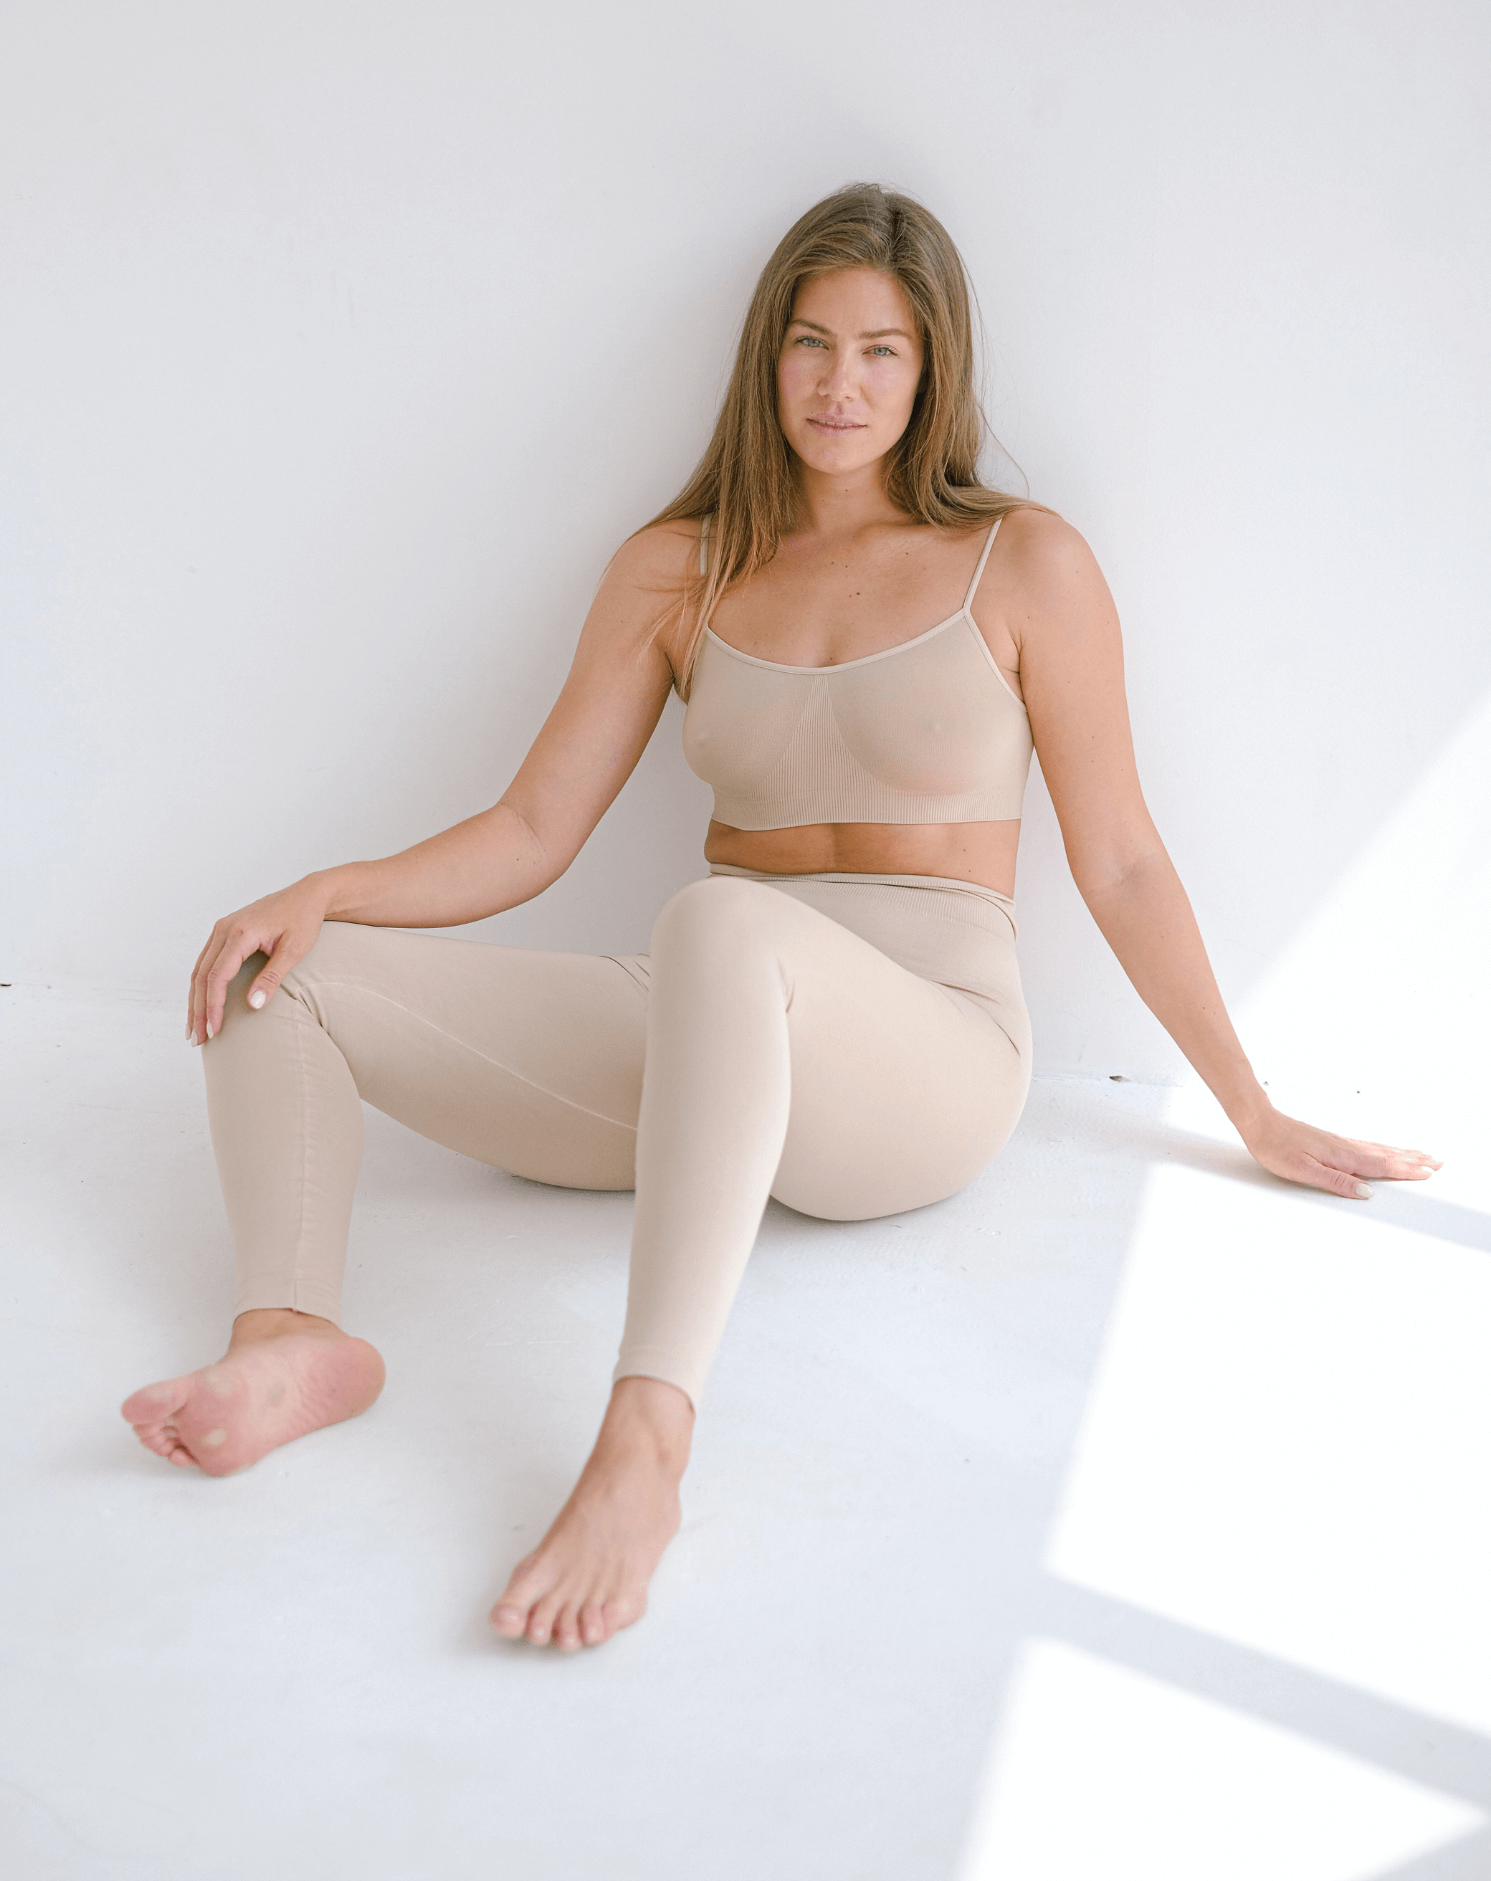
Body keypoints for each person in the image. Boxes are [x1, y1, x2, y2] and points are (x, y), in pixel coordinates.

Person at [121, 183, 1438, 1652]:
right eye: (811, 343)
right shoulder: (676, 566)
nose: (839, 384)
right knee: (282, 973)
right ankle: (289, 1336)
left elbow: (1119, 858)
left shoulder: (1023, 562)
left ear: (932, 367)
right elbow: (532, 830)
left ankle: (643, 1447)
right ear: (768, 355)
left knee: (718, 921)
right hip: (714, 1027)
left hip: (925, 1060)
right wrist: (328, 890)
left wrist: (1249, 1107)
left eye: (881, 350)